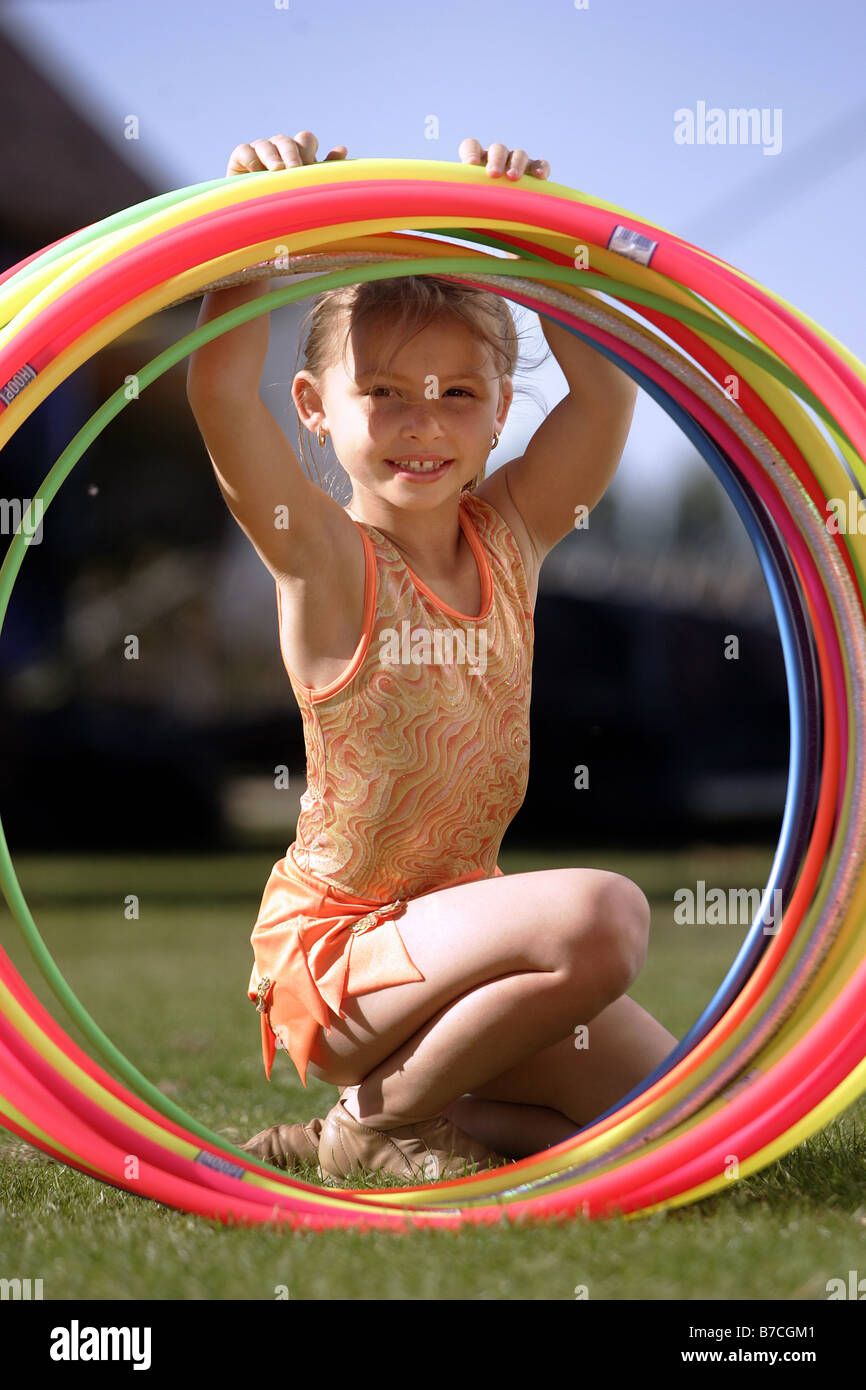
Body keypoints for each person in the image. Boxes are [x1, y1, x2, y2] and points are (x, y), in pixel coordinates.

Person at [186, 130, 678, 1183]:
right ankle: (382, 1124)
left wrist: (536, 245)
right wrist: (255, 234)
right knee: (603, 916)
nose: (424, 422)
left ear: (501, 414)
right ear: (316, 411)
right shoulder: (319, 555)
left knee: (675, 1123)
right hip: (345, 963)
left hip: (464, 964)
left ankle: (343, 1135)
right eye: (386, 392)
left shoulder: (514, 534)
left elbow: (604, 399)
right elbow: (223, 395)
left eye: (459, 393)